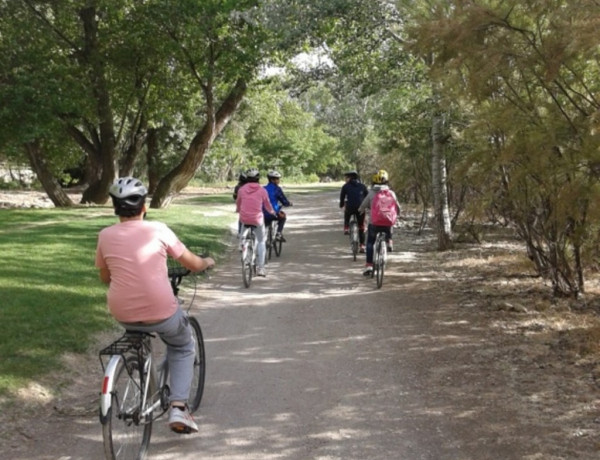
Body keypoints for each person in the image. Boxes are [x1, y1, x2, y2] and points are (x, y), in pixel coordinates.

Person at [95, 177, 215, 434]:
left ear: (115, 207)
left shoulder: (104, 236)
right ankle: (179, 408)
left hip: (122, 312)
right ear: (144, 207)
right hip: (161, 311)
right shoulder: (158, 230)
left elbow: (106, 277)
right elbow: (192, 264)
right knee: (182, 345)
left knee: (142, 331)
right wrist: (207, 262)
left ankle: (143, 376)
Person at [358, 169, 401, 276]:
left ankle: (369, 265)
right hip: (387, 223)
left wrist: (361, 210)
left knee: (370, 243)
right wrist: (398, 214)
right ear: (387, 181)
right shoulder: (391, 193)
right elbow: (397, 207)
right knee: (389, 224)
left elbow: (363, 205)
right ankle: (389, 241)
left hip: (374, 223)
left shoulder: (371, 193)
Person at [236, 169, 276, 277]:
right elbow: (267, 205)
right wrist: (272, 212)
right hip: (257, 219)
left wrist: (238, 210)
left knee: (243, 229)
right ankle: (261, 268)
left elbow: (239, 203)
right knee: (261, 241)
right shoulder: (262, 190)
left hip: (244, 218)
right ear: (258, 179)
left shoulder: (241, 189)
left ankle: (242, 244)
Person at [339, 170, 368, 252]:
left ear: (350, 178)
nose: (345, 179)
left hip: (350, 207)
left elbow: (342, 198)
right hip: (360, 208)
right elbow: (367, 196)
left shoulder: (345, 186)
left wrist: (341, 205)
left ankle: (346, 227)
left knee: (347, 211)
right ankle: (362, 246)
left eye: (346, 177)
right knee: (361, 226)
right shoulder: (362, 186)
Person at [263, 170, 293, 242]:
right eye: (277, 179)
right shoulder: (277, 189)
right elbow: (284, 201)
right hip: (273, 213)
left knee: (264, 223)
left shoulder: (263, 188)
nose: (279, 180)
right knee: (283, 217)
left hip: (262, 213)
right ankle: (278, 234)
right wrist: (288, 204)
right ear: (273, 180)